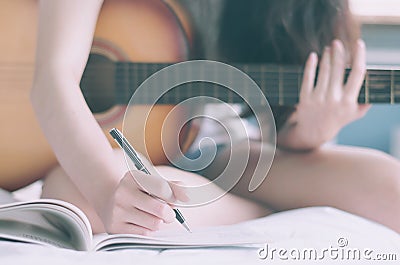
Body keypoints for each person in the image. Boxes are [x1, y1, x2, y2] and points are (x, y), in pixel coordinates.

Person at [28, 0, 400, 236]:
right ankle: (265, 214)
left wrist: (309, 133)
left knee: (391, 189)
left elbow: (280, 132)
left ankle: (238, 209)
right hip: (121, 152)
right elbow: (52, 82)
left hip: (234, 150)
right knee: (76, 198)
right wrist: (108, 192)